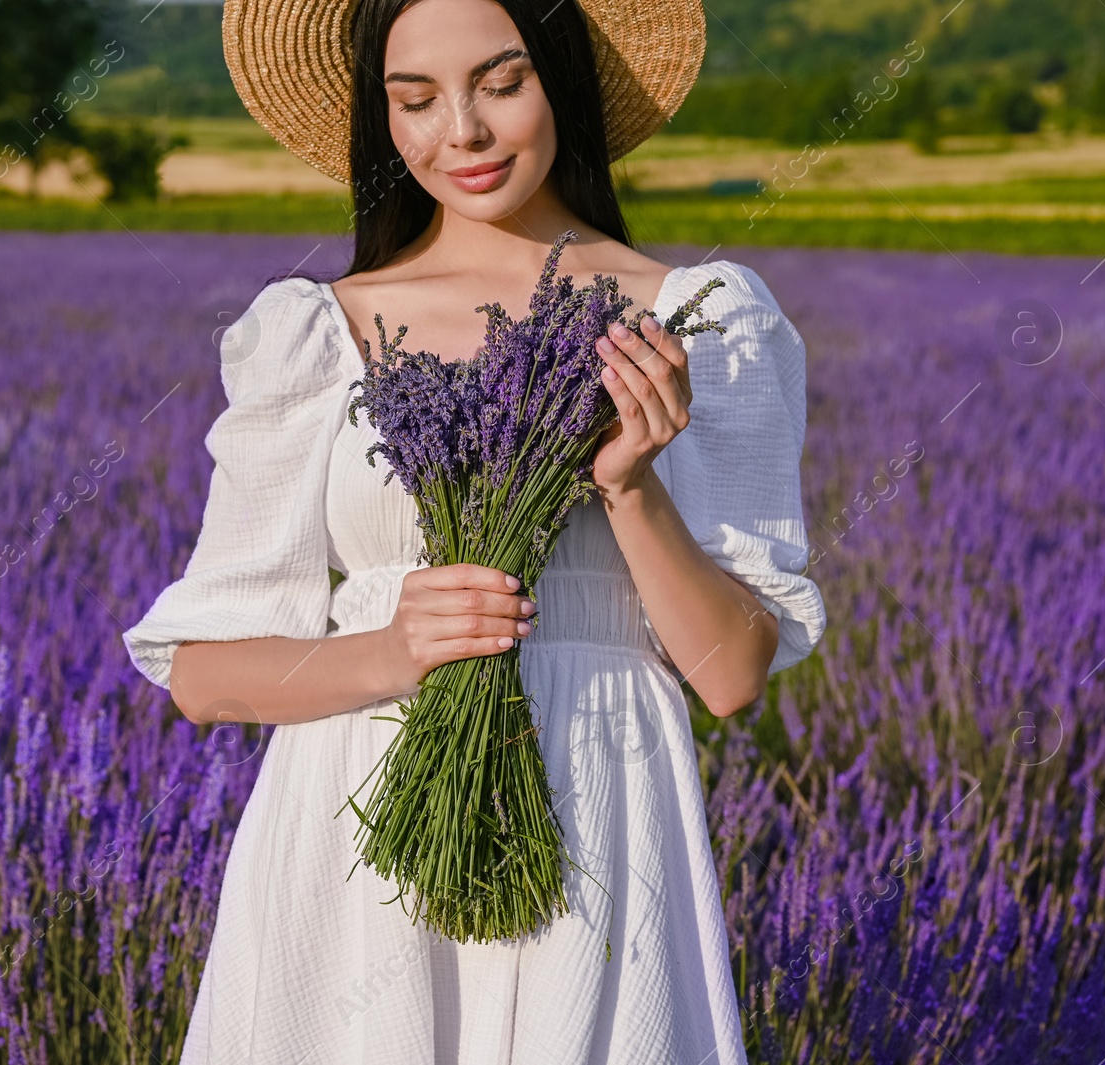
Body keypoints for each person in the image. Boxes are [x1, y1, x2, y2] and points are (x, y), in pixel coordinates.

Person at [122, 0, 828, 1060]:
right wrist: (393, 649)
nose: (462, 132)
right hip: (351, 843)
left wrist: (630, 488)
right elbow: (207, 677)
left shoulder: (705, 320)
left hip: (600, 811)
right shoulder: (313, 331)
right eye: (416, 100)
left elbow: (730, 677)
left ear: (564, 81)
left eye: (502, 84)